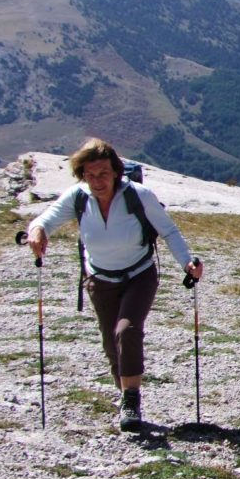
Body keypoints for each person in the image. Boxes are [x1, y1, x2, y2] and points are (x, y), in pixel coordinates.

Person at [27, 138, 204, 432]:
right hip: (99, 279)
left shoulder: (138, 196)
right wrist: (37, 230)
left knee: (127, 331)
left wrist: (187, 262)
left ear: (116, 172)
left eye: (103, 174)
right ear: (82, 175)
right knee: (112, 344)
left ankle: (131, 401)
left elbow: (169, 231)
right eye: (90, 174)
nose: (97, 181)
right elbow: (47, 218)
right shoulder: (77, 198)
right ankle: (125, 396)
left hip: (139, 275)